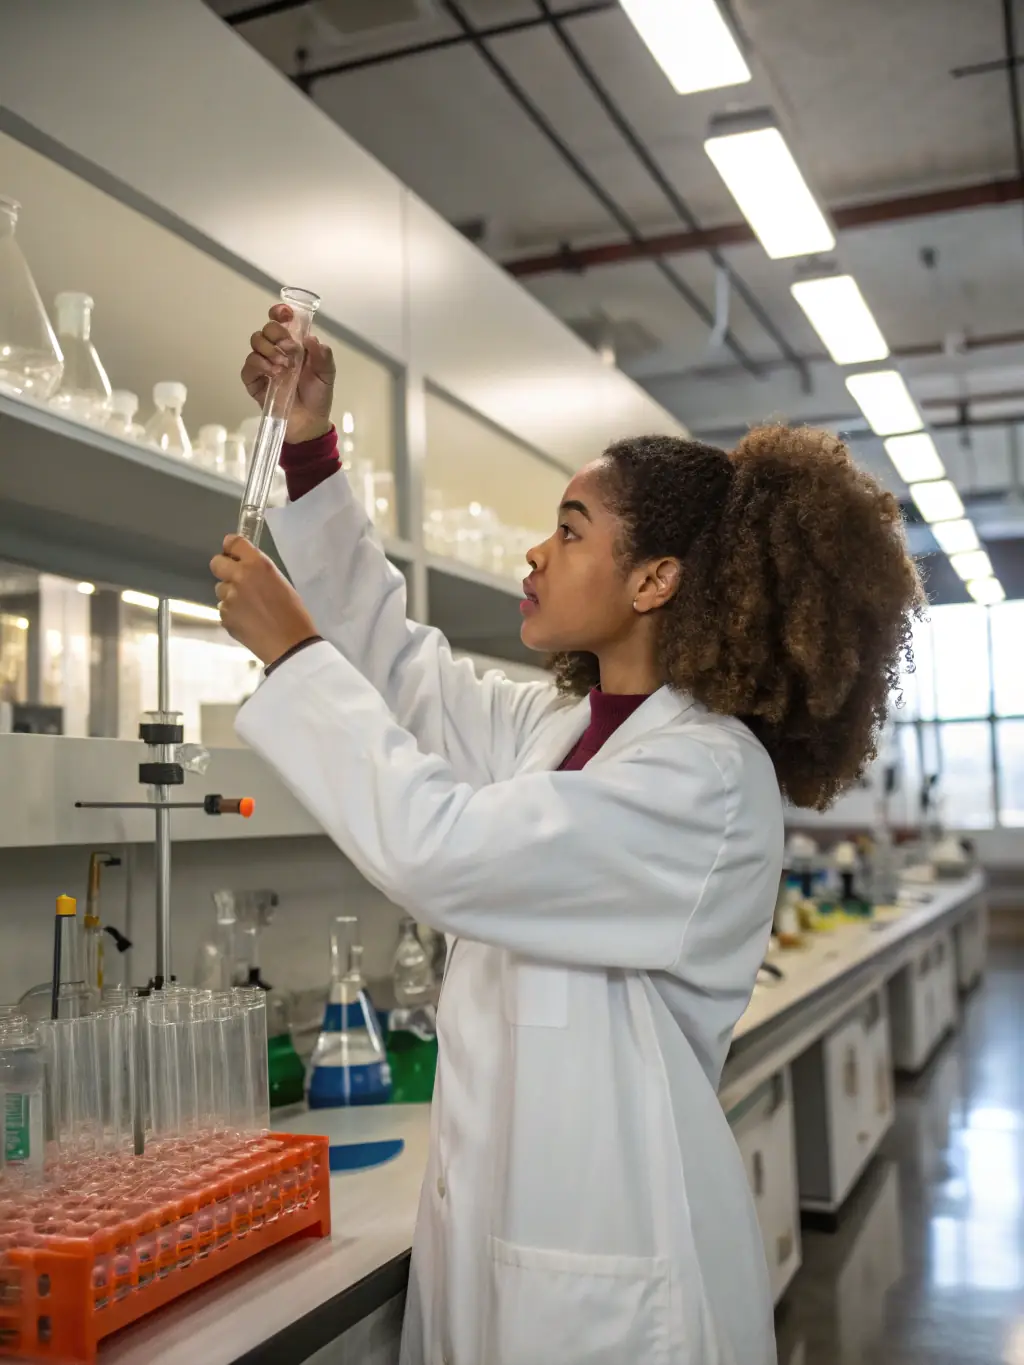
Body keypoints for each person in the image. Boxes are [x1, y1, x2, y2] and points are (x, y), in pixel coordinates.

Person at [212, 306, 923, 1365]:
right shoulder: (559, 730)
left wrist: (295, 657)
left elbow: (439, 849)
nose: (537, 551)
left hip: (612, 1284)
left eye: (571, 527)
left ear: (654, 579)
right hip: (498, 1243)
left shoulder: (704, 773)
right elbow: (403, 675)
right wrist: (312, 447)